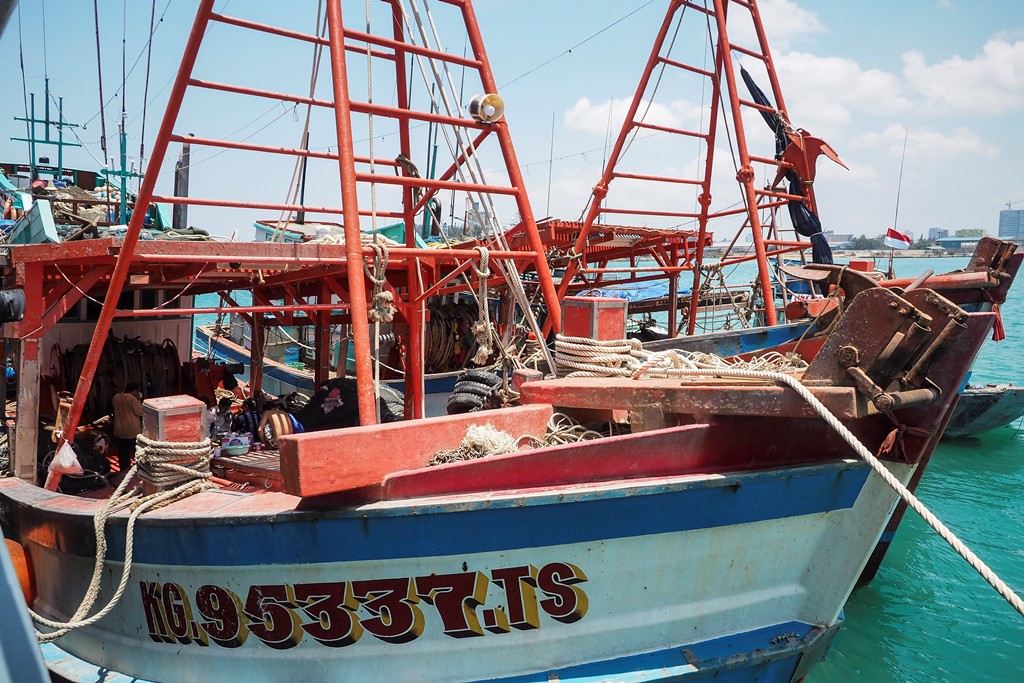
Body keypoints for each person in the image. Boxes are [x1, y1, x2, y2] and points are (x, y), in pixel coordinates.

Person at [111, 381, 144, 473]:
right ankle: (138, 471)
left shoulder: (116, 397)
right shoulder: (132, 399)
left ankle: (124, 472)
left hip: (119, 431)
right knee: (136, 452)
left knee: (123, 454)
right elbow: (139, 412)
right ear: (135, 390)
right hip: (132, 432)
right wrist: (138, 400)